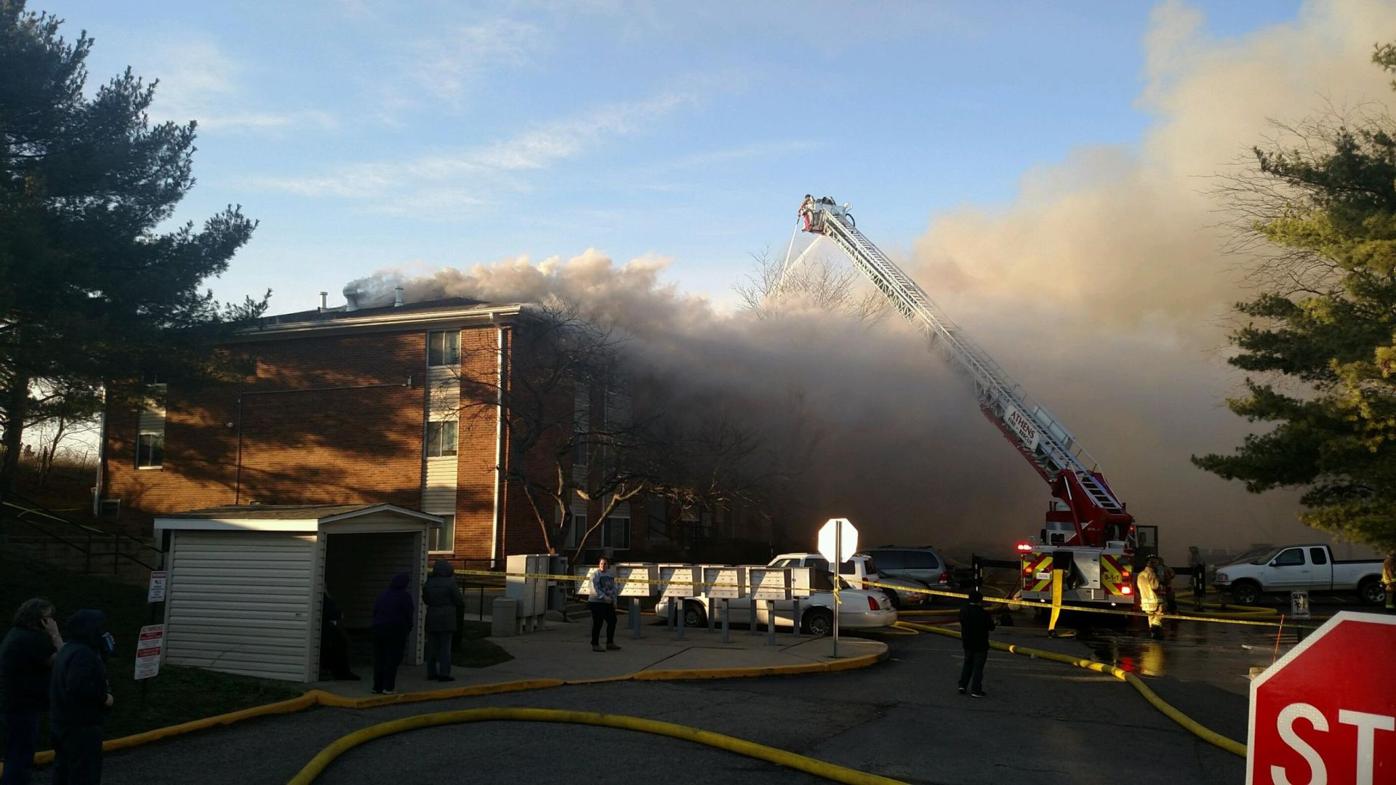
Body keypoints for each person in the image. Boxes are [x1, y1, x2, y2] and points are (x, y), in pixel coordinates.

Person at [1, 599, 63, 785]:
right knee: (21, 755)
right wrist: (55, 635)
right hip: (23, 706)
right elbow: (63, 660)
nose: (52, 621)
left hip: (12, 703)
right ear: (40, 620)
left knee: (15, 752)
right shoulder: (32, 639)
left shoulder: (16, 634)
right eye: (48, 618)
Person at [49, 610, 113, 785]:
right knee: (84, 774)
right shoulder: (83, 655)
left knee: (64, 771)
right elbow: (79, 687)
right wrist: (105, 698)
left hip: (62, 722)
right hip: (81, 726)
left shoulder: (67, 650)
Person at [370, 573, 414, 695]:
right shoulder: (404, 597)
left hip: (378, 629)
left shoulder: (383, 594)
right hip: (395, 630)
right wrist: (408, 628)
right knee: (392, 659)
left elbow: (375, 611)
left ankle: (377, 686)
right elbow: (408, 614)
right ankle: (388, 687)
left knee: (379, 659)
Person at [422, 560, 465, 682]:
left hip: (432, 616)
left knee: (431, 647)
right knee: (445, 647)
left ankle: (431, 672)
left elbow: (425, 599)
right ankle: (444, 673)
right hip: (447, 618)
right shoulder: (451, 583)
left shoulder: (429, 583)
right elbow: (459, 600)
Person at [957, 590, 995, 698]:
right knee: (978, 667)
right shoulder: (983, 613)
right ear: (980, 601)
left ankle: (962, 685)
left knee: (967, 664)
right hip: (981, 643)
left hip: (967, 642)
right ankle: (976, 690)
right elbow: (991, 627)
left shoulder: (964, 611)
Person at [318, 593, 358, 681]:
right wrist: (339, 614)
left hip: (327, 628)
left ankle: (339, 672)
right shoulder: (323, 597)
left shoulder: (323, 597)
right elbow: (331, 612)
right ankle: (341, 672)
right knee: (340, 646)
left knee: (339, 646)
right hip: (327, 629)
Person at [588, 557, 620, 653]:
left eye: (605, 564)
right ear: (599, 565)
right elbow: (594, 588)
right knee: (598, 623)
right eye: (601, 563)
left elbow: (614, 588)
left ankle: (610, 643)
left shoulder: (610, 575)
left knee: (612, 620)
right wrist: (603, 597)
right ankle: (595, 644)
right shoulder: (595, 575)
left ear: (608, 565)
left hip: (608, 602)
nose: (603, 565)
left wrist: (614, 601)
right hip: (596, 602)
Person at [1137, 557, 1165, 639]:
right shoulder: (1151, 574)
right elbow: (1155, 586)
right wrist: (1160, 584)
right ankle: (1154, 627)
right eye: (1156, 564)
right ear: (1153, 564)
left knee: (1150, 617)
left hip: (1145, 600)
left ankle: (1154, 634)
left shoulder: (1141, 574)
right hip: (1154, 600)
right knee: (1159, 614)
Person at [1383, 549, 1395, 614]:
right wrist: (1393, 581)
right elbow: (1390, 572)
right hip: (1390, 582)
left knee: (1390, 597)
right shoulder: (1390, 562)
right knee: (1390, 595)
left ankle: (1389, 608)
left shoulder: (1388, 561)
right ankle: (1389, 609)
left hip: (1389, 582)